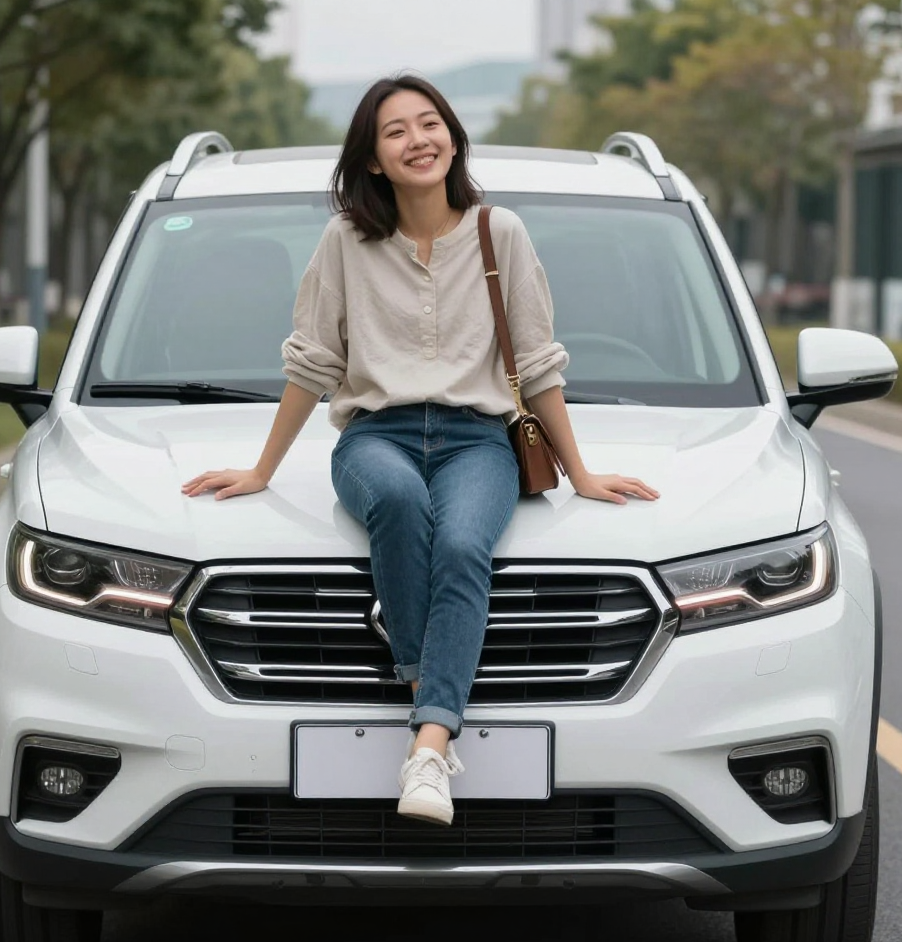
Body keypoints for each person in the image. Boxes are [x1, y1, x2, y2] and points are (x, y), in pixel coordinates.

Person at [181, 74, 659, 826]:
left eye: (430, 122)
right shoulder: (346, 242)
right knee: (401, 504)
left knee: (465, 544)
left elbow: (537, 364)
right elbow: (314, 361)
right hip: (376, 436)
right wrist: (261, 469)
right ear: (373, 159)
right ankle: (428, 697)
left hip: (479, 440)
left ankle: (428, 744)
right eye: (396, 130)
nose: (418, 140)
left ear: (453, 138)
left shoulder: (501, 233)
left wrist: (582, 473)